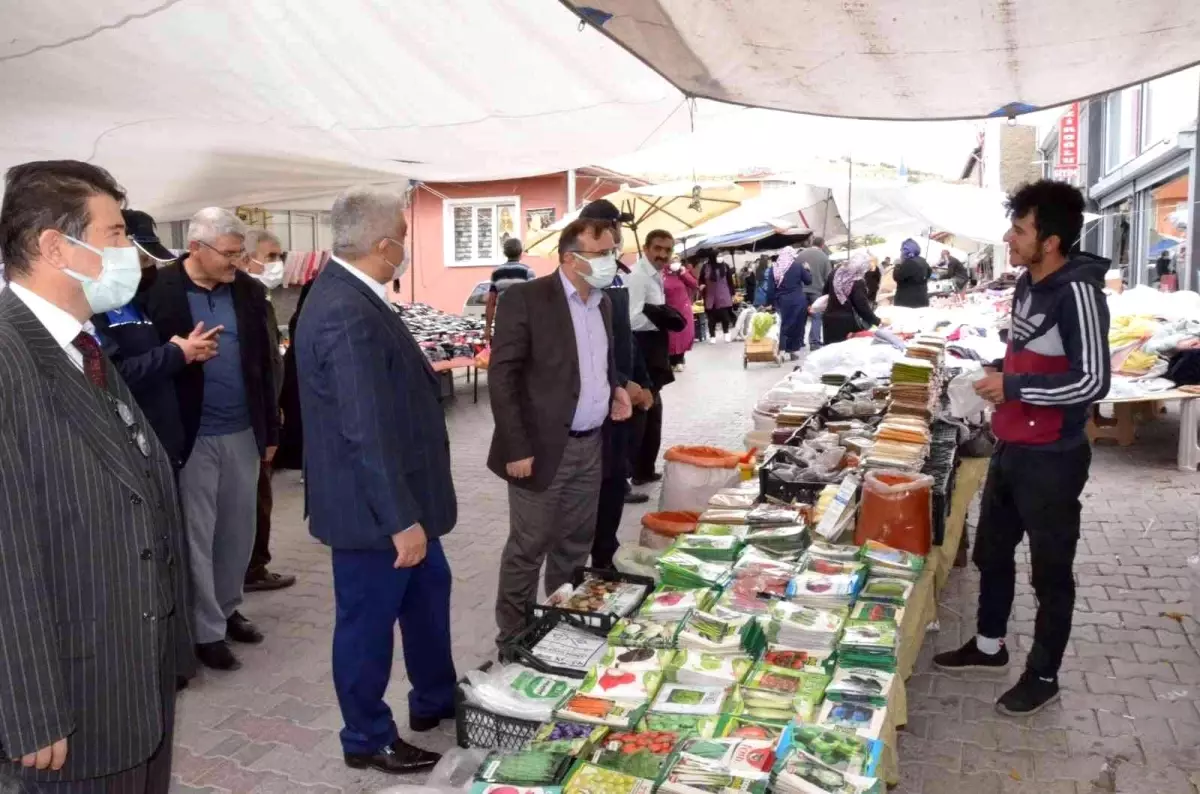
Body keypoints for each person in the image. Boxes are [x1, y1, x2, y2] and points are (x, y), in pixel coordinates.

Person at [0, 160, 190, 792]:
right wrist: (28, 709)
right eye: (114, 234)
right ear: (55, 247)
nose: (128, 252)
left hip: (130, 677)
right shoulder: (9, 357)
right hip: (68, 706)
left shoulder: (80, 345)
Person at [935, 180, 1111, 716]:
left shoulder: (1078, 293)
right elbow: (1030, 355)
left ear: (1050, 241)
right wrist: (996, 372)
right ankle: (990, 646)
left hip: (1053, 457)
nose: (1008, 239)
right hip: (1011, 445)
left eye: (1019, 230)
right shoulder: (1027, 285)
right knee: (992, 553)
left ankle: (1044, 674)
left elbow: (1093, 381)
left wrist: (1012, 386)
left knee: (1050, 572)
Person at [294, 187, 453, 773]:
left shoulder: (359, 293)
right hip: (374, 513)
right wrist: (399, 520)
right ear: (384, 245)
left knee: (429, 597)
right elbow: (363, 428)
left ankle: (435, 699)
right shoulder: (343, 307)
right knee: (367, 625)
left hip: (404, 499)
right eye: (403, 238)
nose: (405, 248)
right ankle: (365, 736)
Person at [142, 207, 279, 672]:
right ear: (196, 248)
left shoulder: (248, 291)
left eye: (240, 253)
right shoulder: (156, 291)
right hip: (190, 434)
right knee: (197, 536)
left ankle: (227, 607)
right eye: (228, 253)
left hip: (243, 430)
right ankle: (206, 631)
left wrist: (270, 428)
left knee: (238, 533)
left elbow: (265, 363)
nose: (236, 261)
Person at [489, 217, 631, 645]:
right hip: (541, 448)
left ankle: (560, 625)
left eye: (613, 252)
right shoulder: (526, 299)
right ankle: (513, 637)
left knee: (574, 545)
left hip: (590, 445)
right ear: (570, 258)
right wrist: (516, 446)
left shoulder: (602, 303)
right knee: (528, 547)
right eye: (602, 253)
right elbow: (503, 377)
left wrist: (615, 389)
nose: (611, 261)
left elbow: (597, 362)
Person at [237, 229, 297, 593]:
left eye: (279, 256)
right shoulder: (244, 300)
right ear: (246, 258)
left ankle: (254, 564)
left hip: (265, 413)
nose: (276, 263)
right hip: (249, 420)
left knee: (261, 496)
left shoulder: (261, 298)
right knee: (255, 498)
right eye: (270, 256)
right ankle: (250, 568)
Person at [626, 230, 679, 486]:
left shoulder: (655, 274)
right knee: (642, 412)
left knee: (653, 413)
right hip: (643, 349)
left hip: (655, 348)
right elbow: (632, 318)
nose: (662, 254)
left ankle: (644, 469)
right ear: (646, 248)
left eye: (667, 250)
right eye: (657, 248)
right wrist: (661, 318)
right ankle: (631, 474)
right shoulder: (638, 276)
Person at [822, 250, 882, 345]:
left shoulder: (835, 273)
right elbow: (862, 307)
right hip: (846, 323)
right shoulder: (857, 281)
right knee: (844, 351)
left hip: (829, 319)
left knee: (830, 351)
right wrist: (877, 321)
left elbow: (825, 292)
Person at [763, 246, 812, 360]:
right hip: (798, 300)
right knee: (797, 325)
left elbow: (770, 289)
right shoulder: (798, 266)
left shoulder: (774, 268)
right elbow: (808, 281)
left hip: (782, 301)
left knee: (784, 325)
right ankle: (793, 351)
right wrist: (808, 270)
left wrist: (769, 303)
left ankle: (782, 351)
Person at [484, 237, 535, 344]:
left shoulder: (496, 273)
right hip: (522, 322)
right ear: (520, 252)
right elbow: (534, 299)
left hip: (503, 321)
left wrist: (488, 327)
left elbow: (491, 302)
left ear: (505, 253)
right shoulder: (528, 271)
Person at [665, 257, 698, 370]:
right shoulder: (661, 274)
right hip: (668, 309)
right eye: (672, 260)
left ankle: (680, 359)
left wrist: (684, 274)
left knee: (684, 334)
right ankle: (672, 360)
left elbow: (694, 284)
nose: (675, 263)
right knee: (671, 336)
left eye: (677, 261)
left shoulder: (683, 273)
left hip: (683, 308)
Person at [699, 254, 736, 342]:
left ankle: (726, 333)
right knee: (711, 318)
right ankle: (712, 336)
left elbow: (730, 281)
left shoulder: (725, 266)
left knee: (725, 316)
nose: (720, 257)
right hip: (710, 295)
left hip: (724, 294)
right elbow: (701, 279)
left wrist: (732, 293)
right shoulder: (706, 267)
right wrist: (701, 285)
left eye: (721, 255)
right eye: (718, 256)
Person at [892, 238, 932, 308]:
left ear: (906, 250)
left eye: (901, 249)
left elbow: (897, 277)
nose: (901, 251)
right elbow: (929, 273)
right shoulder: (923, 260)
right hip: (922, 298)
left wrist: (897, 265)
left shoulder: (909, 263)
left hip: (907, 301)